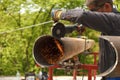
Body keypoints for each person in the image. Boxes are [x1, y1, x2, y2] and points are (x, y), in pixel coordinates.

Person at [51, 0, 120, 80]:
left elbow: (82, 16)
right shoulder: (111, 23)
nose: (92, 15)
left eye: (92, 11)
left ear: (106, 7)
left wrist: (59, 13)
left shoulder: (115, 20)